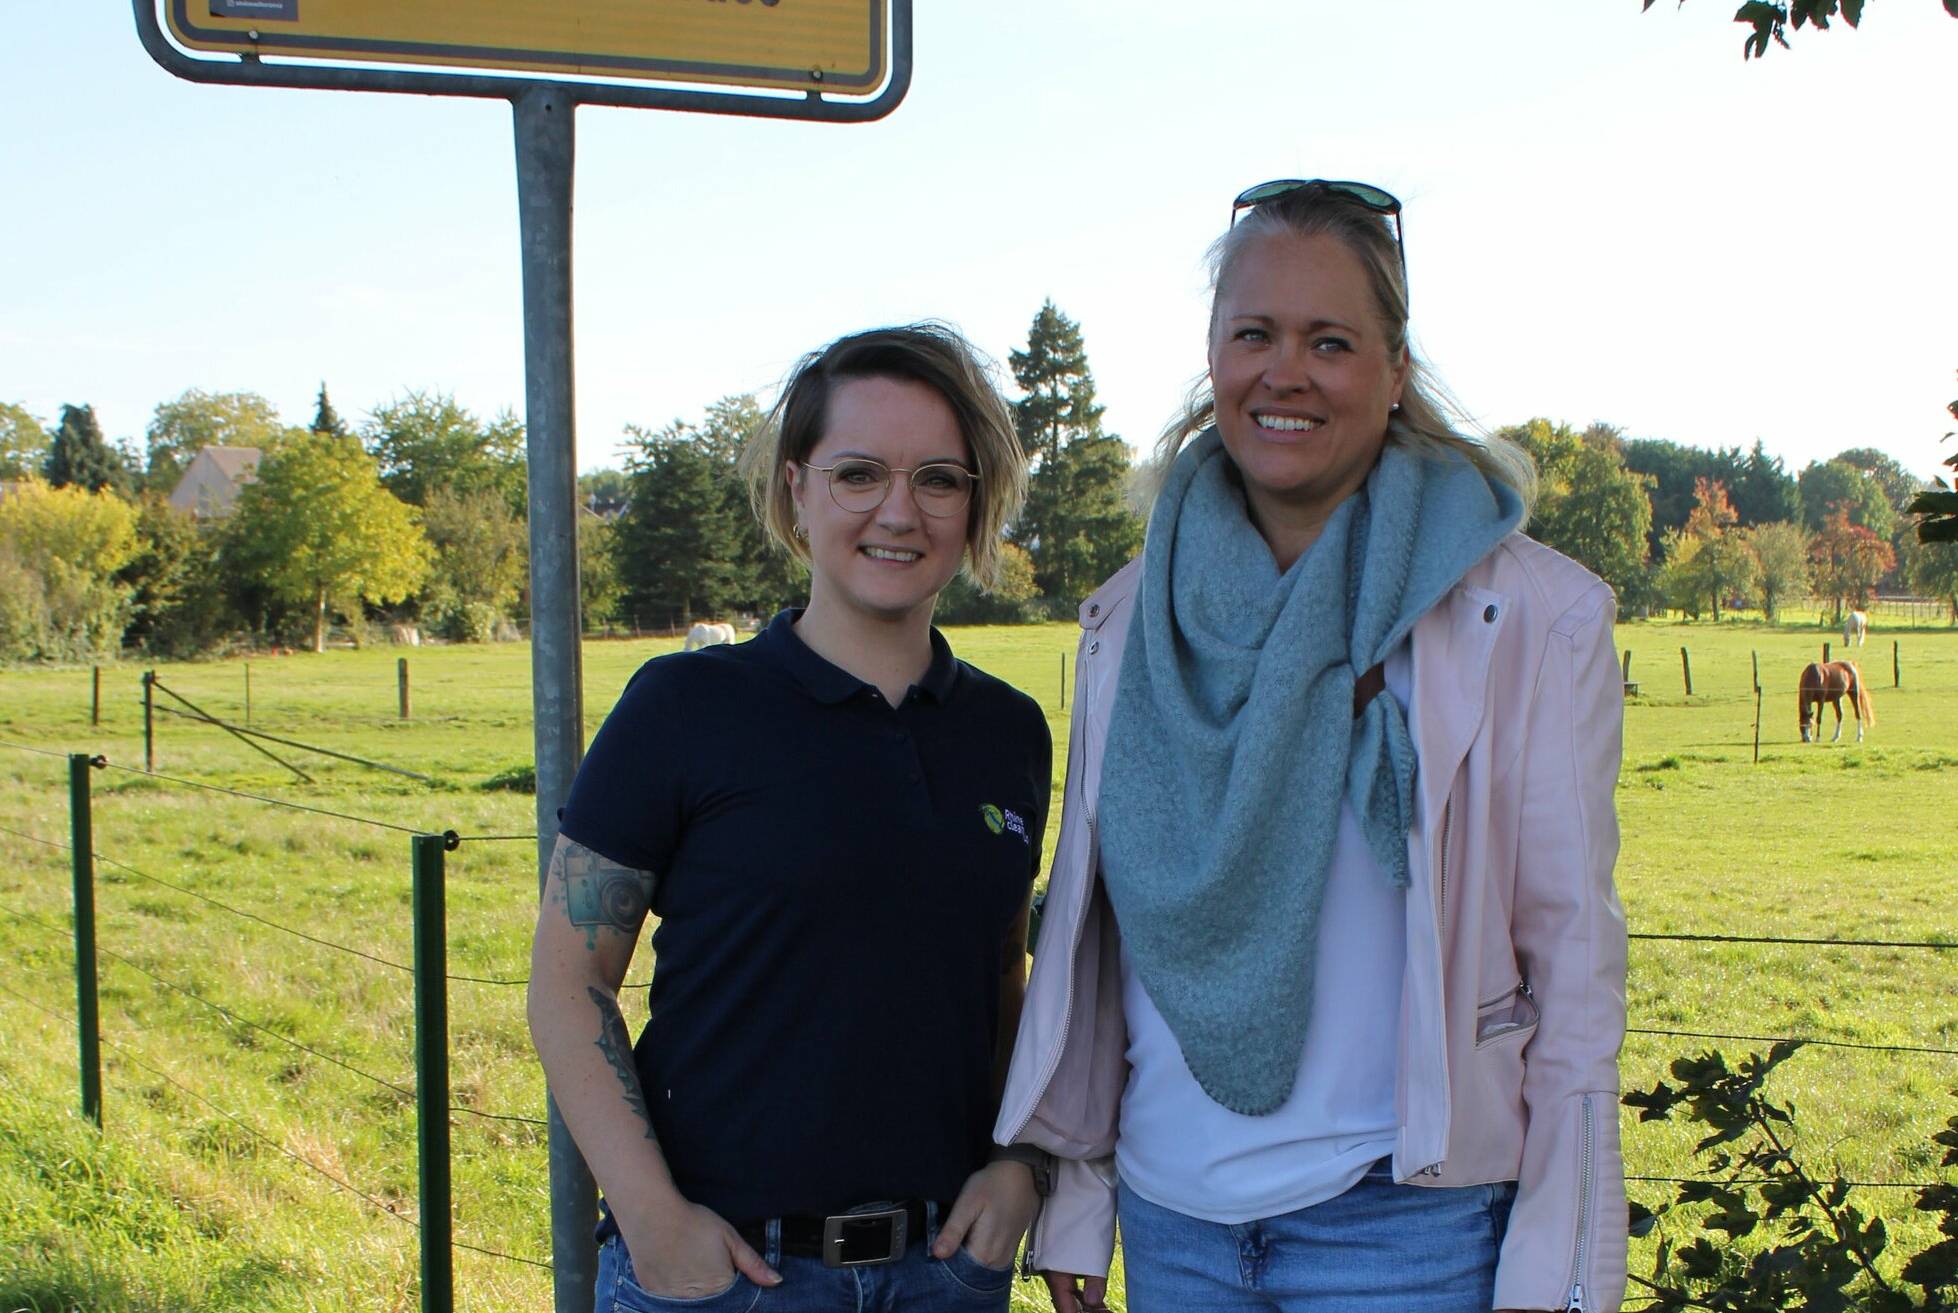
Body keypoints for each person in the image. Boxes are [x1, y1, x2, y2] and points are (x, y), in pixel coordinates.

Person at [995, 181, 1628, 1313]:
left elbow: (1572, 965)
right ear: (1212, 355)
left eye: (1327, 341)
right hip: (1172, 1222)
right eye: (1254, 334)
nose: (1283, 372)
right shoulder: (1130, 620)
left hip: (1410, 1231)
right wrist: (1082, 1195)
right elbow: (1099, 944)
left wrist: (1561, 1276)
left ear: (1392, 371)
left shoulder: (1528, 615)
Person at [529, 323, 1054, 1312]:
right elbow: (567, 984)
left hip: (943, 1271)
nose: (898, 511)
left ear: (975, 500)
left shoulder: (1007, 732)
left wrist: (1019, 1161)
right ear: (795, 489)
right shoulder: (683, 707)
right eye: (858, 473)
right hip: (725, 1277)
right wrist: (651, 1218)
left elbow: (1002, 980)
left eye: (938, 478)